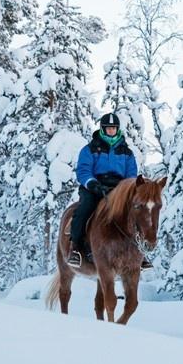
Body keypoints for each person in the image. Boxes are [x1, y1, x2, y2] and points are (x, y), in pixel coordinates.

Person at [69, 112, 149, 269]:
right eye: (108, 128)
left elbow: (131, 174)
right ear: (102, 129)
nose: (111, 131)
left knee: (137, 211)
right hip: (94, 187)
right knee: (85, 208)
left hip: (119, 189)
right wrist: (93, 184)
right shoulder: (90, 149)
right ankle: (76, 248)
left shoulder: (126, 152)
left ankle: (139, 250)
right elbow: (83, 170)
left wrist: (125, 189)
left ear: (117, 129)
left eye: (113, 128)